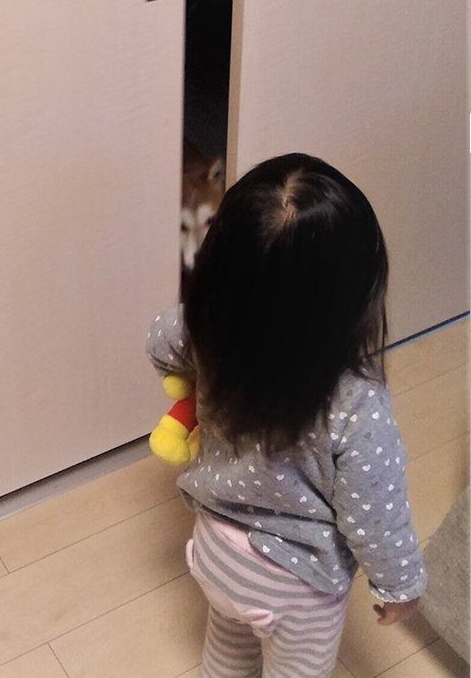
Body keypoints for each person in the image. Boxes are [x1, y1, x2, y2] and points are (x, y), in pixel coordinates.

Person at [147, 153, 425, 678]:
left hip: (215, 551)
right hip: (295, 586)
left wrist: (195, 362)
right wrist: (401, 586)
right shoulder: (357, 402)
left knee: (226, 654)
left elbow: (160, 342)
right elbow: (375, 514)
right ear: (359, 291)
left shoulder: (204, 331)